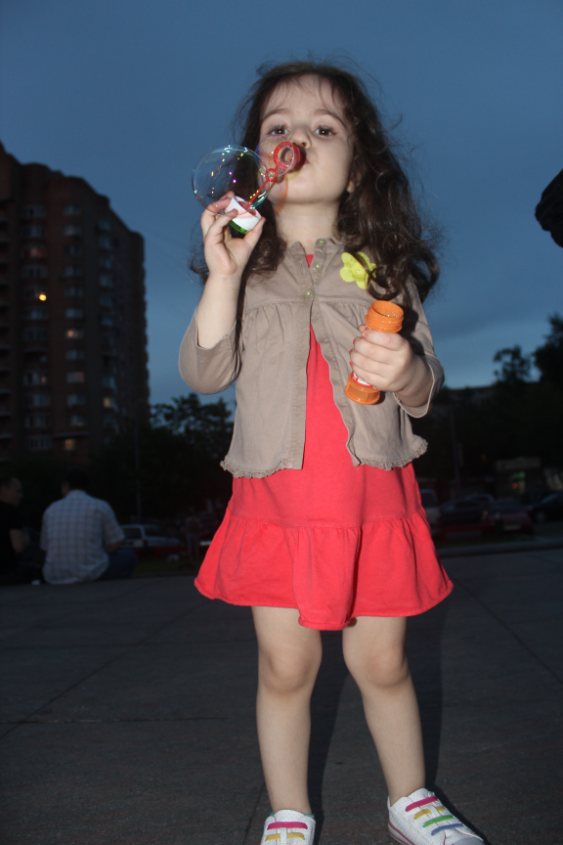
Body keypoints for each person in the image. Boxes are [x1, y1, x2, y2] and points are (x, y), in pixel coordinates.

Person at [180, 62, 483, 845]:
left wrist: (406, 369)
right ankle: (289, 812)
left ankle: (409, 799)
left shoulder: (381, 269)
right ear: (254, 162)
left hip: (371, 498)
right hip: (276, 504)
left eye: (322, 128)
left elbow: (425, 385)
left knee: (381, 662)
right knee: (286, 667)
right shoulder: (244, 269)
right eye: (276, 128)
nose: (296, 139)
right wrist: (222, 276)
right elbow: (203, 372)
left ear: (356, 171)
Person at [41, 468, 137, 584]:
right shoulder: (100, 506)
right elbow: (116, 544)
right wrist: (99, 551)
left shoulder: (51, 510)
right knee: (129, 556)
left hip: (53, 575)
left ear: (66, 485)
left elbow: (45, 548)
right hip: (90, 572)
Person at [0, 475, 30, 585]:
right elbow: (18, 546)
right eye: (18, 491)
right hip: (6, 574)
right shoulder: (12, 512)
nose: (21, 496)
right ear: (3, 490)